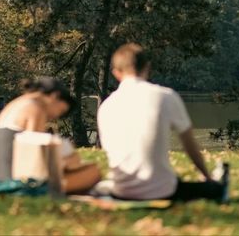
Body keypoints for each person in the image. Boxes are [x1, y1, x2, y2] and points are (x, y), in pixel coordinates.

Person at [97, 43, 229, 202]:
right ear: (147, 67)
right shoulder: (166, 96)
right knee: (209, 189)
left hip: (122, 192)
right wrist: (206, 176)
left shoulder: (106, 107)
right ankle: (214, 186)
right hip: (162, 192)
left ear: (116, 73)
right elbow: (189, 145)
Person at [0, 77, 101, 194]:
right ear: (54, 96)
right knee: (91, 173)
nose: (56, 116)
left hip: (2, 177)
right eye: (61, 111)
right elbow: (37, 151)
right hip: (20, 182)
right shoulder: (35, 108)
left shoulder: (17, 103)